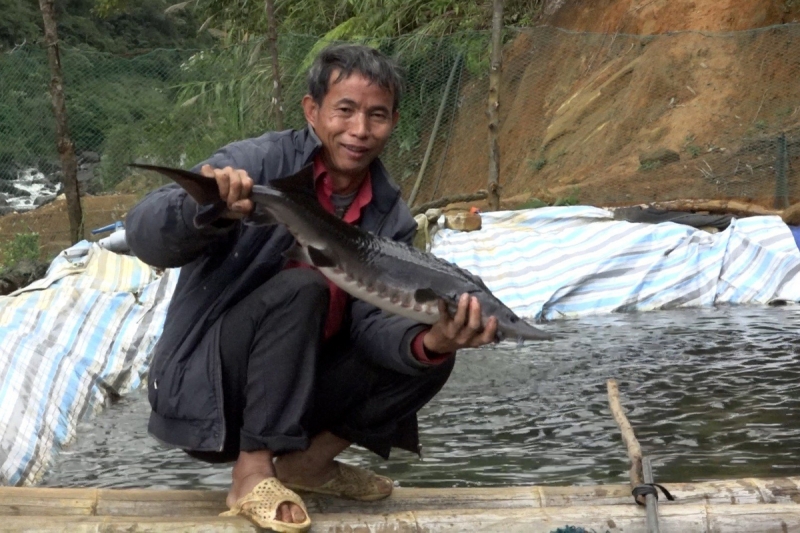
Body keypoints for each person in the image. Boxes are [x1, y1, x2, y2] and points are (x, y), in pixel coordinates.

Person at [126, 43, 498, 532]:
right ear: (312, 110)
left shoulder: (389, 215)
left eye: (377, 115)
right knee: (304, 288)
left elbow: (374, 327)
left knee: (424, 353)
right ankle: (251, 473)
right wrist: (203, 207)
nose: (360, 130)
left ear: (393, 121)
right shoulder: (259, 162)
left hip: (298, 391)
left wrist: (433, 341)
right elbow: (144, 235)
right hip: (214, 388)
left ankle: (307, 466)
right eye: (345, 110)